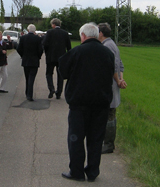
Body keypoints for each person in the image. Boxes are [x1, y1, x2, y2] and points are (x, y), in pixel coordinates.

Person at [58, 23, 114, 182]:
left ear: (82, 35)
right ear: (96, 35)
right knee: (96, 139)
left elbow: (63, 71)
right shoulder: (108, 53)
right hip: (101, 104)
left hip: (79, 104)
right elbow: (111, 73)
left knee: (75, 138)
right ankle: (92, 171)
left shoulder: (76, 52)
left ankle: (76, 171)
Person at [98, 23, 127, 154]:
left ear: (101, 33)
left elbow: (114, 67)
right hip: (113, 83)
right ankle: (108, 143)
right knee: (110, 113)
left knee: (109, 114)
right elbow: (120, 65)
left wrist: (118, 81)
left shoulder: (107, 46)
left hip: (110, 85)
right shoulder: (111, 44)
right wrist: (120, 80)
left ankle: (108, 144)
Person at [43, 18, 71, 99]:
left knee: (49, 74)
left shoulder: (49, 32)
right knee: (60, 75)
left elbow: (44, 44)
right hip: (61, 58)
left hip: (51, 57)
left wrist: (47, 52)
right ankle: (59, 92)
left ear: (53, 24)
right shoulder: (65, 33)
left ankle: (51, 88)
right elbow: (69, 47)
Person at [16, 24, 43, 101]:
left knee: (27, 77)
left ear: (28, 30)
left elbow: (18, 48)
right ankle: (29, 95)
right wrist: (38, 56)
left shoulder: (23, 38)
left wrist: (23, 55)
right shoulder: (38, 39)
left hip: (26, 60)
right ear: (34, 30)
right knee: (32, 78)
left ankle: (27, 92)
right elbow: (40, 50)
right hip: (34, 61)